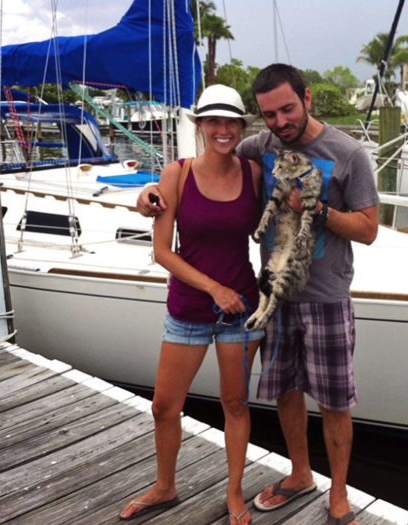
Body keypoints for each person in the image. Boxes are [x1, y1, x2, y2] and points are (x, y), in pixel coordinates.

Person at [138, 65, 379, 525]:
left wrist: (318, 207)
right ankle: (300, 474)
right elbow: (205, 168)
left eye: (287, 108)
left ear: (307, 98)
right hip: (273, 298)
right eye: (269, 113)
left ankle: (340, 494)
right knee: (285, 391)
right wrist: (149, 190)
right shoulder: (259, 149)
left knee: (332, 400)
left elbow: (368, 230)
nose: (280, 120)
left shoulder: (348, 154)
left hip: (325, 296)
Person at [120, 84, 263, 525]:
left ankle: (234, 492)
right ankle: (165, 486)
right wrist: (213, 288)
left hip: (242, 311)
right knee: (164, 406)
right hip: (189, 311)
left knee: (235, 404)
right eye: (213, 121)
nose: (223, 129)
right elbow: (162, 251)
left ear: (241, 127)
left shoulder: (255, 172)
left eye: (231, 121)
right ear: (199, 126)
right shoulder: (175, 174)